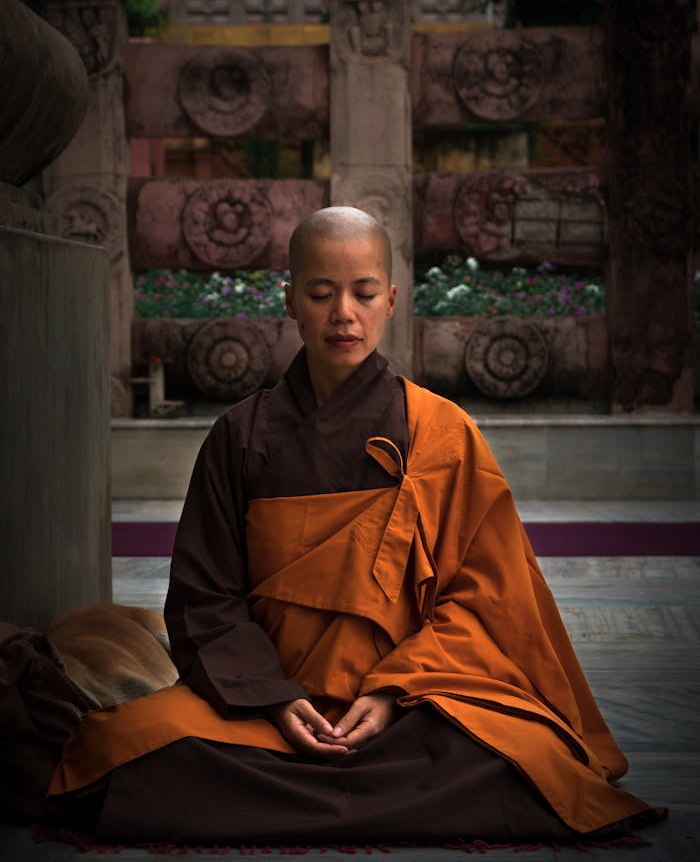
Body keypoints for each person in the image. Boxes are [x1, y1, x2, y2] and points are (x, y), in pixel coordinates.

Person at [44, 207, 660, 845]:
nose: (344, 312)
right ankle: (370, 791)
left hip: (409, 703)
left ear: (390, 300)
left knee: (523, 756)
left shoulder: (439, 433)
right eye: (320, 293)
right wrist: (278, 700)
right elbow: (206, 597)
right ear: (290, 301)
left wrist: (395, 691)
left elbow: (483, 599)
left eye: (363, 293)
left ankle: (288, 793)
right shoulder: (240, 436)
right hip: (264, 704)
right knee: (121, 746)